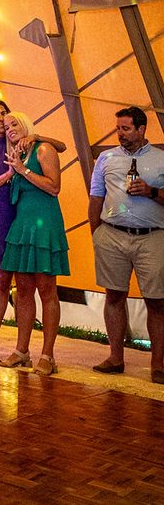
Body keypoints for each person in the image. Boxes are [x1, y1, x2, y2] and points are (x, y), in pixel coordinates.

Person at [0, 100, 65, 364]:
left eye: (5, 116)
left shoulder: (24, 145)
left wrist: (36, 136)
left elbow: (60, 148)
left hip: (14, 217)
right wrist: (11, 173)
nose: (0, 120)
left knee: (3, 282)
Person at [88, 106, 164, 384]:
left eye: (126, 128)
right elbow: (95, 197)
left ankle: (158, 364)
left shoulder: (161, 159)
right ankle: (115, 357)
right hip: (112, 235)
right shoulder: (106, 159)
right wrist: (96, 233)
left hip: (152, 236)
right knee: (114, 295)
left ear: (142, 129)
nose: (119, 134)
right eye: (117, 128)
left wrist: (151, 191)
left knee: (156, 301)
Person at [0, 111, 70, 376]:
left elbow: (54, 187)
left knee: (47, 289)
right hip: (22, 226)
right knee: (24, 290)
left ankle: (48, 355)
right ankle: (21, 351)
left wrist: (23, 170)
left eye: (14, 124)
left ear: (26, 124)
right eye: (6, 127)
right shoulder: (15, 155)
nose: (9, 129)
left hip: (44, 226)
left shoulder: (43, 149)